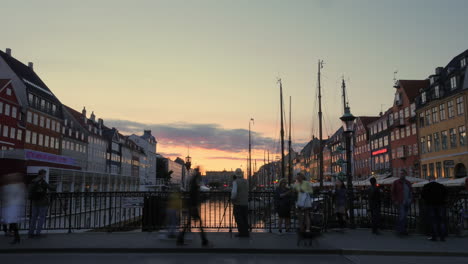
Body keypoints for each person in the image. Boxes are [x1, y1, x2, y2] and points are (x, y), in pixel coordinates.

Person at [177, 168, 209, 246]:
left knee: (189, 223)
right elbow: (194, 196)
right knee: (199, 224)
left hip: (192, 206)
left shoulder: (193, 184)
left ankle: (181, 238)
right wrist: (194, 206)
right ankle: (204, 240)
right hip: (193, 206)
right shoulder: (195, 185)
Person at [28, 169, 55, 238]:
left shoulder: (33, 180)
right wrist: (53, 187)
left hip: (34, 201)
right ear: (42, 174)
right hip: (42, 201)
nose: (45, 175)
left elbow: (30, 190)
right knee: (41, 217)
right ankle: (38, 233)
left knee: (34, 217)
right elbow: (50, 188)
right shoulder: (42, 181)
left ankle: (30, 233)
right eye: (44, 174)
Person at [1, 172, 26, 244]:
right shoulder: (14, 185)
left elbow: (16, 196)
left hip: (13, 207)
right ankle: (15, 237)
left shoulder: (16, 186)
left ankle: (15, 237)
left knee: (12, 222)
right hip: (11, 206)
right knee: (11, 222)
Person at [421, 177, 448, 241]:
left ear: (429, 180)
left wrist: (427, 201)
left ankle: (434, 236)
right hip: (440, 205)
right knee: (441, 220)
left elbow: (423, 195)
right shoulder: (441, 186)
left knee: (433, 221)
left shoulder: (426, 186)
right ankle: (442, 236)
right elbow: (446, 194)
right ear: (435, 179)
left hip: (431, 205)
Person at [391, 169, 412, 236]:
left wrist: (410, 199)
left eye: (403, 173)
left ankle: (403, 230)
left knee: (405, 216)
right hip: (400, 202)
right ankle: (400, 231)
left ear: (405, 174)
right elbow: (393, 192)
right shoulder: (396, 182)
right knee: (402, 216)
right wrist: (395, 200)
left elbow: (410, 192)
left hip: (407, 202)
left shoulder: (408, 183)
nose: (401, 175)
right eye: (401, 173)